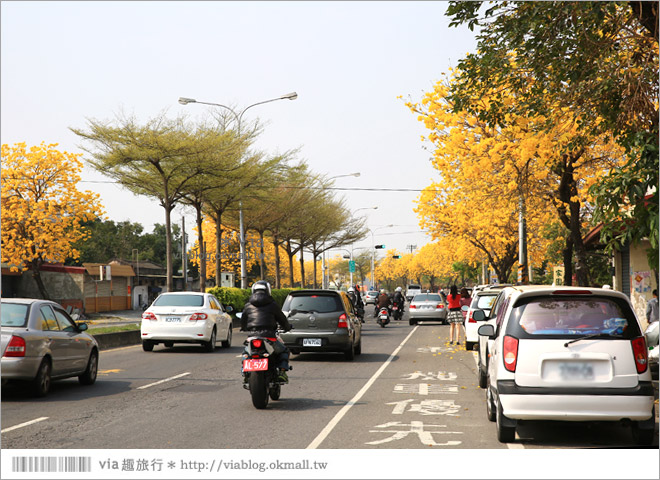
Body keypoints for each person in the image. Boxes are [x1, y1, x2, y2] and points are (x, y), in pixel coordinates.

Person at [240, 280, 293, 382]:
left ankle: (244, 371)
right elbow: (282, 319)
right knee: (284, 351)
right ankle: (282, 371)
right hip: (269, 337)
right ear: (268, 290)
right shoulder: (273, 305)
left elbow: (243, 321)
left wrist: (244, 328)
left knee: (245, 354)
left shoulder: (248, 305)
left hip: (252, 337)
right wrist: (287, 327)